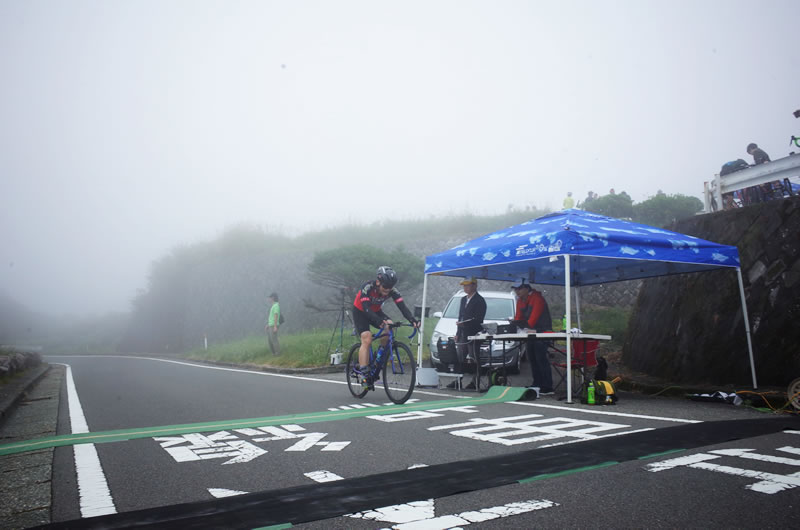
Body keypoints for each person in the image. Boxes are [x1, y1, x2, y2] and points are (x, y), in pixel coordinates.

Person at [352, 266, 419, 388]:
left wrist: (412, 319)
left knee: (389, 325)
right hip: (361, 311)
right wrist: (378, 321)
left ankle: (380, 353)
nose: (388, 290)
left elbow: (402, 307)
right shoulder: (367, 288)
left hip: (375, 311)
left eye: (390, 287)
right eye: (385, 287)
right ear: (378, 282)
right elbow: (366, 309)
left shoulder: (391, 290)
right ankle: (364, 373)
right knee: (366, 338)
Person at [511, 282, 554, 395]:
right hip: (530, 333)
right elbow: (518, 318)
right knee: (532, 358)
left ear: (526, 288)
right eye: (515, 289)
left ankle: (547, 386)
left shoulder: (537, 298)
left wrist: (522, 325)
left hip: (543, 332)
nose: (517, 291)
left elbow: (532, 320)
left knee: (540, 358)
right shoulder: (520, 301)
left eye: (519, 289)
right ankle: (537, 383)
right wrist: (515, 324)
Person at [448, 277, 487, 390]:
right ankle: (458, 379)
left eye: (468, 285)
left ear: (474, 286)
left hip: (474, 333)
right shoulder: (463, 299)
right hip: (462, 333)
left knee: (474, 357)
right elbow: (461, 317)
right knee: (460, 357)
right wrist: (458, 332)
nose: (465, 287)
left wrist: (466, 324)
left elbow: (479, 319)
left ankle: (475, 381)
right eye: (464, 285)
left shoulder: (480, 300)